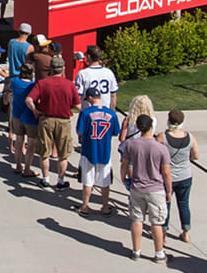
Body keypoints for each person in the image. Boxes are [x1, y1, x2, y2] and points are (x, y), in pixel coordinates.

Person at [121, 114, 172, 263]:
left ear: (138, 127)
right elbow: (166, 173)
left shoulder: (131, 145)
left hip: (137, 187)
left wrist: (124, 179)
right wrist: (168, 190)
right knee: (156, 222)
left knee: (137, 220)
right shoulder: (161, 148)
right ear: (151, 127)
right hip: (156, 189)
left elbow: (124, 164)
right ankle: (159, 253)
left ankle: (136, 251)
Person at [25, 54, 80, 189]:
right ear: (63, 69)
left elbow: (29, 100)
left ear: (50, 69)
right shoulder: (69, 85)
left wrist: (35, 110)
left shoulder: (42, 83)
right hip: (63, 121)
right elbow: (78, 106)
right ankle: (60, 180)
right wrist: (69, 106)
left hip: (46, 120)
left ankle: (45, 179)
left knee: (44, 152)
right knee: (63, 154)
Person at [74, 87, 121, 216]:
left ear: (90, 98)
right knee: (105, 182)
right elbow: (116, 132)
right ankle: (105, 207)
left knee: (87, 181)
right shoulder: (111, 114)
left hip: (88, 151)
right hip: (105, 151)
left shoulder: (85, 113)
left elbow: (79, 131)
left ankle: (85, 206)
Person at [157, 109, 199, 243]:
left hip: (167, 176)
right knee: (184, 204)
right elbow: (196, 156)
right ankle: (186, 232)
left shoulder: (162, 137)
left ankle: (163, 234)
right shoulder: (190, 137)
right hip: (186, 176)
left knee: (165, 205)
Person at [9, 62, 39, 177]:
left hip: (17, 114)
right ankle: (27, 169)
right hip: (30, 116)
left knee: (19, 140)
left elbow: (11, 93)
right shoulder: (33, 86)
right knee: (31, 143)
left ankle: (18, 165)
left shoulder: (15, 82)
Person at [73, 45, 118, 110]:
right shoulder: (109, 72)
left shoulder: (82, 74)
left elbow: (77, 97)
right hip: (105, 112)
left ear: (89, 56)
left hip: (89, 113)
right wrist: (112, 112)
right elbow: (113, 95)